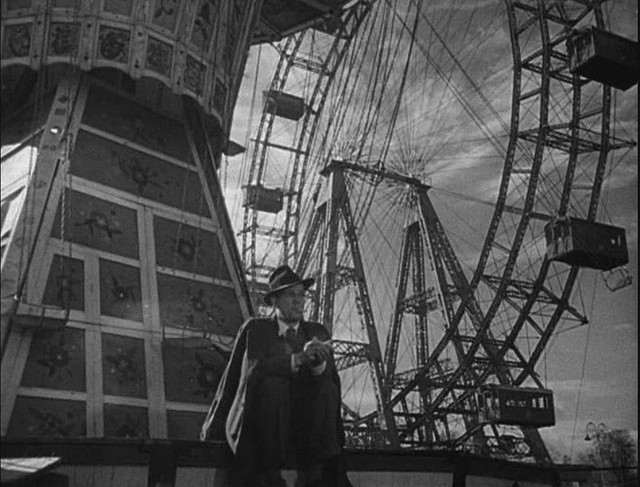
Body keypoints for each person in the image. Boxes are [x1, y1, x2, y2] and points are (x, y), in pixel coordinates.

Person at [201, 265, 351, 487]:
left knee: (327, 389)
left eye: (302, 295)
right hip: (262, 426)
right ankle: (267, 475)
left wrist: (318, 364)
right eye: (291, 295)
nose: (299, 301)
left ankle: (319, 473)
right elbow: (253, 371)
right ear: (275, 301)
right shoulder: (257, 329)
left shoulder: (317, 332)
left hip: (303, 426)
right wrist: (298, 359)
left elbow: (330, 383)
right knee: (273, 385)